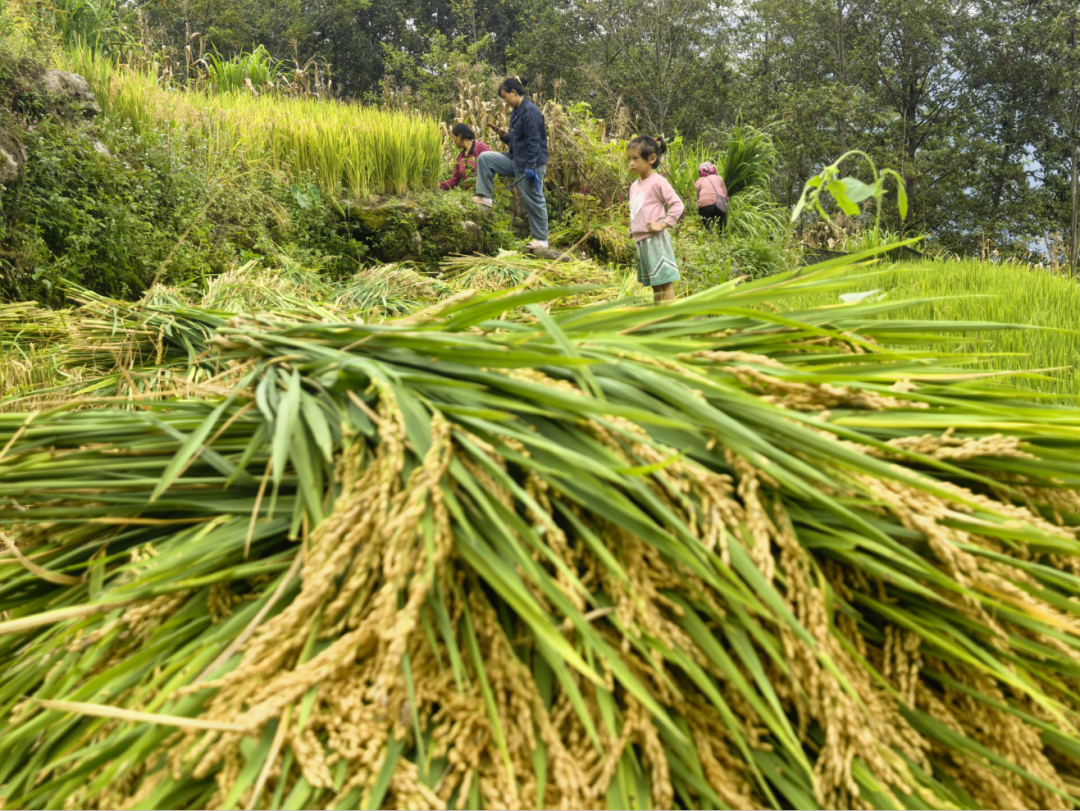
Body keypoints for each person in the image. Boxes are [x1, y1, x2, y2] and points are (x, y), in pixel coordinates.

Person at [473, 77, 550, 250]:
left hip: (532, 164)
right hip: (517, 160)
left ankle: (542, 240)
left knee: (534, 199)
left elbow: (534, 143)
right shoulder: (516, 112)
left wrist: (531, 168)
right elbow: (519, 143)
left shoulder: (531, 112)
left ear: (514, 92)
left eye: (505, 96)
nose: (504, 101)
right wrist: (504, 136)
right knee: (485, 158)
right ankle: (485, 197)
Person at [627, 135, 684, 303]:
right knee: (655, 284)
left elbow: (677, 205)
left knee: (665, 282)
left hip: (656, 240)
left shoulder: (658, 181)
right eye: (629, 159)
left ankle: (669, 319)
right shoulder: (634, 186)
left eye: (636, 158)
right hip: (642, 241)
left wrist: (663, 225)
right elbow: (638, 209)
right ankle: (659, 317)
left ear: (652, 158)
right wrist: (633, 227)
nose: (631, 163)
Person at [439, 123, 491, 192]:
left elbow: (490, 168)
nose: (453, 141)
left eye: (454, 137)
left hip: (486, 193)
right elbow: (454, 181)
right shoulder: (460, 157)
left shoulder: (481, 148)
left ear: (459, 136)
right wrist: (438, 185)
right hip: (470, 197)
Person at [695, 162, 728, 233]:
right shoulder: (719, 178)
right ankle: (723, 236)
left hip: (705, 204)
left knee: (706, 225)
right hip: (720, 202)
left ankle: (708, 234)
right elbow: (725, 195)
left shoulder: (699, 181)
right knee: (722, 224)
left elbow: (699, 197)